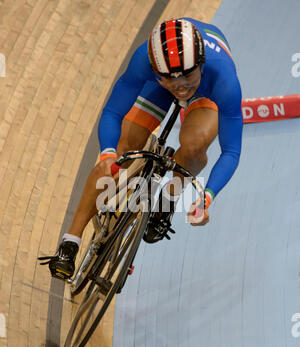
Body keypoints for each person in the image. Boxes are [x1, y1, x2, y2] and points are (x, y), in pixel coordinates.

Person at [39, 18, 243, 280]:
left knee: (193, 147)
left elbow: (231, 152)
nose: (180, 86)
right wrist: (108, 152)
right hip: (159, 86)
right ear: (155, 70)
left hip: (205, 92)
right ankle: (70, 242)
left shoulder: (223, 78)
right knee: (122, 152)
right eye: (171, 79)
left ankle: (168, 199)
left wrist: (208, 197)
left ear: (201, 64)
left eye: (187, 77)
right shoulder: (145, 60)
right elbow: (113, 111)